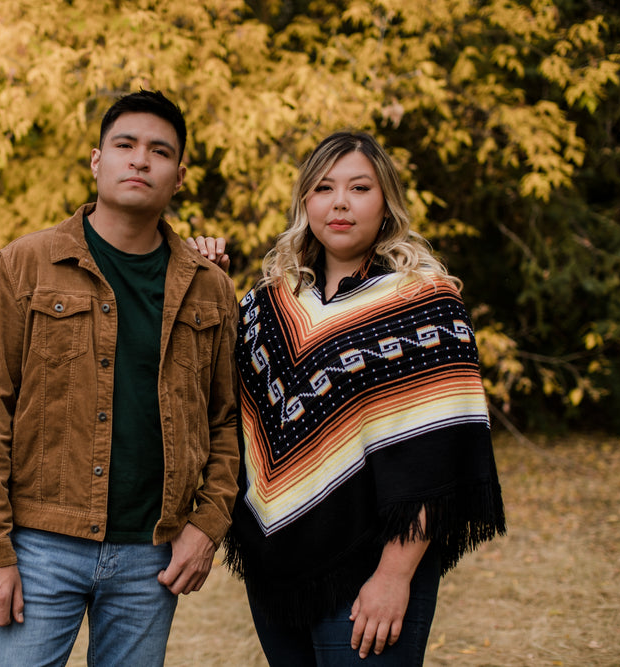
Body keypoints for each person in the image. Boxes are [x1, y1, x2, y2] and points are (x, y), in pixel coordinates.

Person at [192, 131, 506, 665]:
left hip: (373, 565)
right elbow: (208, 393)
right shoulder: (268, 303)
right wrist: (203, 284)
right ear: (305, 204)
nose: (339, 202)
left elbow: (438, 452)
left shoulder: (424, 304)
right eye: (323, 188)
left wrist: (393, 575)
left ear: (385, 204)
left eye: (359, 187)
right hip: (277, 571)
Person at [0, 89, 240, 666]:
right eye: (125, 145)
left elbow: (225, 422)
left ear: (179, 176)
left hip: (152, 556)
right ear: (96, 161)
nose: (140, 160)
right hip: (40, 545)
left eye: (159, 152)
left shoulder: (210, 287)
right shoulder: (24, 264)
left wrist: (206, 527)